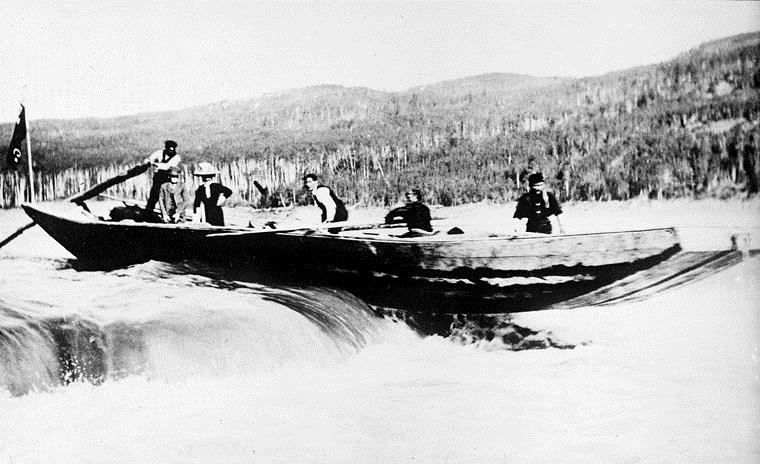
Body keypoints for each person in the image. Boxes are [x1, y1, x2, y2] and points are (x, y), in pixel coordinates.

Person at [144, 140, 181, 213]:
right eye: (169, 150)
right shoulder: (159, 153)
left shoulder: (177, 157)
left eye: (172, 150)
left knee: (166, 196)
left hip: (168, 178)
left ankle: (168, 213)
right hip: (158, 177)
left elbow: (167, 167)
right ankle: (148, 211)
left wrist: (154, 164)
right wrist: (148, 161)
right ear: (166, 148)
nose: (171, 151)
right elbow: (150, 159)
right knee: (154, 195)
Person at [193, 162, 233, 226]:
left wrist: (221, 199)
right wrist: (196, 217)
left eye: (209, 176)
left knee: (219, 229)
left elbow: (229, 191)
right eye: (204, 176)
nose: (207, 178)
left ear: (212, 176)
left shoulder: (216, 186)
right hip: (206, 213)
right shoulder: (200, 189)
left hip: (217, 212)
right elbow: (196, 204)